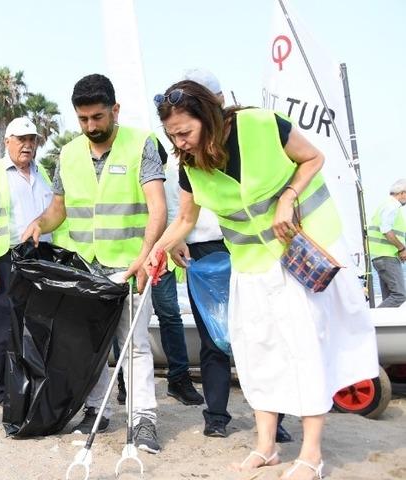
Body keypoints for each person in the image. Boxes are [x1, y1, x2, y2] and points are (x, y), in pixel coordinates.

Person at [148, 80, 378, 479]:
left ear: (208, 116)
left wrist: (288, 197)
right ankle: (266, 447)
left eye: (185, 132)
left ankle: (311, 453)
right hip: (252, 264)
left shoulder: (262, 124)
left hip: (302, 253)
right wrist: (156, 250)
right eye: (172, 135)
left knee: (304, 346)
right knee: (258, 353)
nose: (180, 142)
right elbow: (185, 219)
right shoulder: (188, 166)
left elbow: (312, 158)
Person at [22, 74, 165, 454]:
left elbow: (158, 208)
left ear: (115, 110)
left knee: (133, 345)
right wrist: (39, 224)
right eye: (83, 119)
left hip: (129, 266)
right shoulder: (67, 154)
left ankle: (143, 419)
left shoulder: (142, 145)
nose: (91, 127)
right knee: (88, 345)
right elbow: (58, 210)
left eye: (98, 118)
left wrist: (145, 255)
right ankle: (96, 410)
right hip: (85, 269)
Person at [167, 68, 291, 442]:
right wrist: (172, 241)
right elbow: (184, 211)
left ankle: (274, 418)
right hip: (204, 252)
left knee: (266, 335)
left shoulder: (250, 136)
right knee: (213, 337)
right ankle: (217, 414)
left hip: (250, 248)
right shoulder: (186, 157)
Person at [0, 116, 53, 406]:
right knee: (4, 329)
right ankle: (4, 391)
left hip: (39, 259)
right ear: (7, 141)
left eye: (32, 139)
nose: (27, 145)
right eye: (21, 139)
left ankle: (32, 387)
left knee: (35, 326)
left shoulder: (43, 172)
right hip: (5, 259)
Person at [368, 179, 406, 308]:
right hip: (387, 257)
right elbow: (386, 230)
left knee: (389, 296)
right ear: (402, 193)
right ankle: (373, 322)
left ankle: (377, 325)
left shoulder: (385, 205)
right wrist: (402, 248)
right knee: (399, 295)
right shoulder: (392, 206)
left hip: (380, 257)